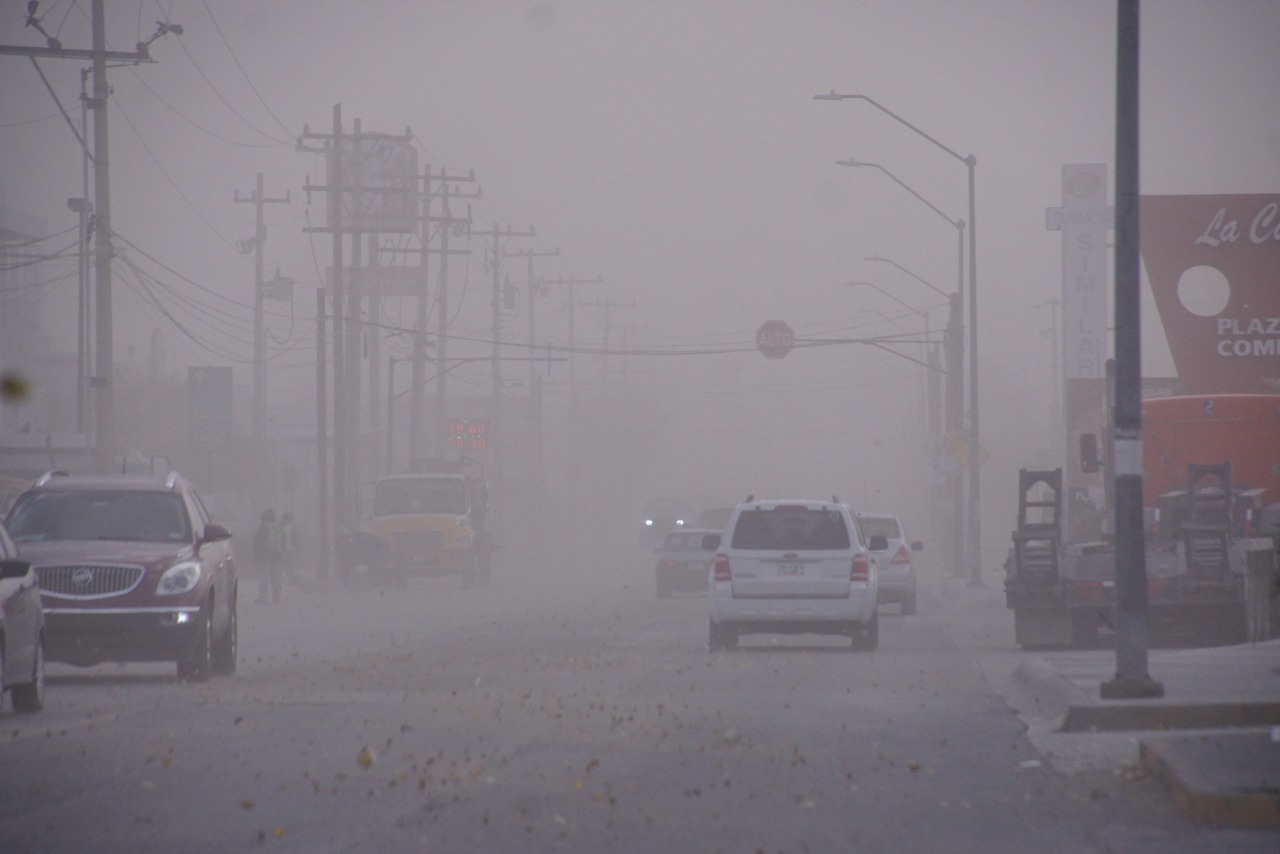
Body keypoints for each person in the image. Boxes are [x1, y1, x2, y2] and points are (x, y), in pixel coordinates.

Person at [253, 508, 285, 603]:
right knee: (275, 578)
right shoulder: (280, 528)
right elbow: (283, 543)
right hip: (277, 557)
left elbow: (257, 543)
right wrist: (281, 554)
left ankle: (263, 597)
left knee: (264, 578)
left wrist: (256, 556)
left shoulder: (263, 527)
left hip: (264, 557)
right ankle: (277, 597)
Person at [280, 511, 301, 586]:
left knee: (284, 566)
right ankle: (291, 580)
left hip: (281, 550)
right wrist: (298, 547)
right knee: (290, 566)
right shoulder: (291, 527)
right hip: (290, 550)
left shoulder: (280, 527)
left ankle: (282, 580)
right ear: (290, 519)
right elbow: (295, 539)